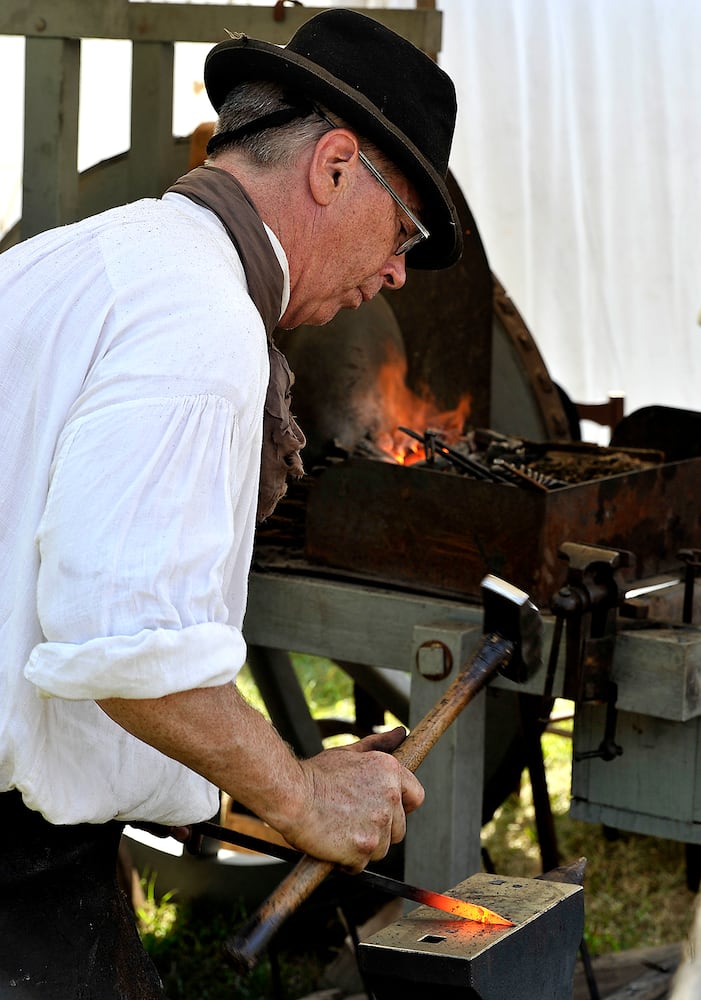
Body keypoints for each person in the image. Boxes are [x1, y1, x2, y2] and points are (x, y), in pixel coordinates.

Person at [0, 8, 465, 996]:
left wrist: (268, 774)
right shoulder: (199, 324)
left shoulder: (79, 258)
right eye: (405, 231)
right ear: (334, 167)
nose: (393, 272)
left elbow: (63, 591)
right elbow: (127, 644)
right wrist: (298, 797)